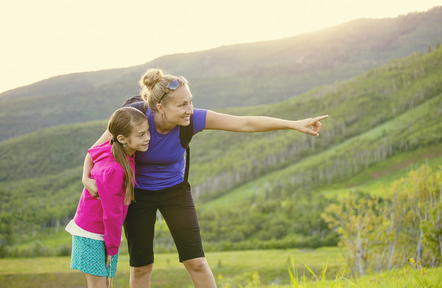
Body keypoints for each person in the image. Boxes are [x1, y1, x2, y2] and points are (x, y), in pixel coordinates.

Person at [82, 68, 328, 288]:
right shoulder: (134, 117)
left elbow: (245, 123)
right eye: (182, 105)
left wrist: (295, 124)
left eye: (190, 102)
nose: (189, 110)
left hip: (175, 191)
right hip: (137, 194)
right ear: (160, 108)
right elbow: (96, 151)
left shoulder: (193, 120)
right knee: (141, 265)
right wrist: (86, 179)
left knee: (196, 261)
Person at [66, 107, 150, 288]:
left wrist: (85, 178)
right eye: (141, 135)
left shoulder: (118, 150)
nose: (148, 138)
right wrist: (112, 247)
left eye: (147, 132)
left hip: (101, 232)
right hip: (93, 233)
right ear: (122, 139)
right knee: (98, 285)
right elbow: (112, 213)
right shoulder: (114, 170)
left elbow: (91, 151)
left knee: (106, 284)